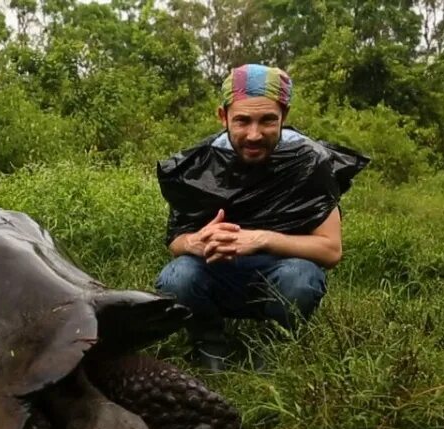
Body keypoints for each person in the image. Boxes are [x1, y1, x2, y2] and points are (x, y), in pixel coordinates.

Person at [154, 64, 368, 371]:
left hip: (281, 273)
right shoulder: (201, 164)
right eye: (242, 120)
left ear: (285, 115)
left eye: (268, 120)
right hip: (218, 271)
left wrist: (260, 239)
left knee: (302, 279)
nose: (254, 135)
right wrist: (195, 242)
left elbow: (330, 251)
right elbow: (176, 241)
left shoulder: (309, 161)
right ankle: (209, 342)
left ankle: (272, 345)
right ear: (223, 116)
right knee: (177, 277)